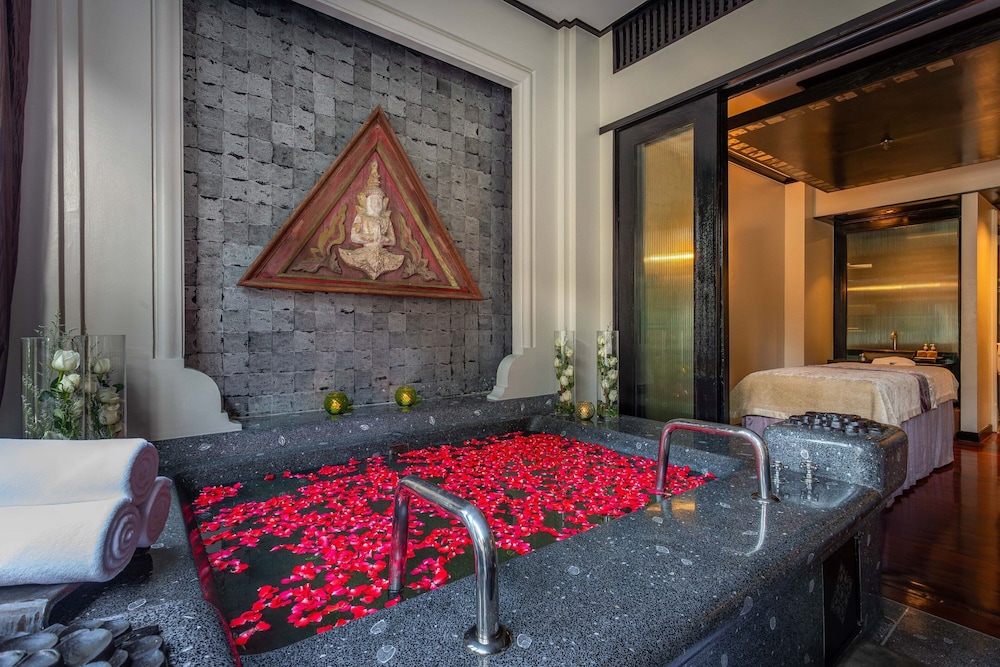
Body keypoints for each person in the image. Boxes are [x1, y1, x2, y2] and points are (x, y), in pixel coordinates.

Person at [339, 161, 405, 280]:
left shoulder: (386, 220)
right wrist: (372, 237)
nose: (377, 204)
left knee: (395, 259)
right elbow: (354, 237)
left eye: (379, 201)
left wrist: (382, 238)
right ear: (367, 202)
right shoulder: (362, 217)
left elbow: (392, 241)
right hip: (367, 249)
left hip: (381, 251)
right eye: (374, 201)